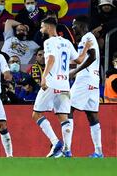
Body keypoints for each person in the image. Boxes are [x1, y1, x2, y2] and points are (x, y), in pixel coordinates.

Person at [32, 17, 92, 158]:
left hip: (52, 83)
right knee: (63, 117)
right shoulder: (66, 42)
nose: (41, 29)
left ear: (48, 26)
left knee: (36, 114)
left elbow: (51, 59)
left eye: (42, 26)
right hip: (65, 84)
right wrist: (86, 49)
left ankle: (55, 142)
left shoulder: (48, 42)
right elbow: (78, 60)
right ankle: (67, 150)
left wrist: (44, 77)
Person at [68, 15, 103, 158]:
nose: (73, 28)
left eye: (74, 25)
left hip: (85, 79)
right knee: (92, 115)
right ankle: (99, 152)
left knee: (67, 109)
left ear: (81, 25)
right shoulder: (89, 38)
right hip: (93, 79)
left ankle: (66, 149)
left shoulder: (86, 38)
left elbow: (92, 56)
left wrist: (75, 72)